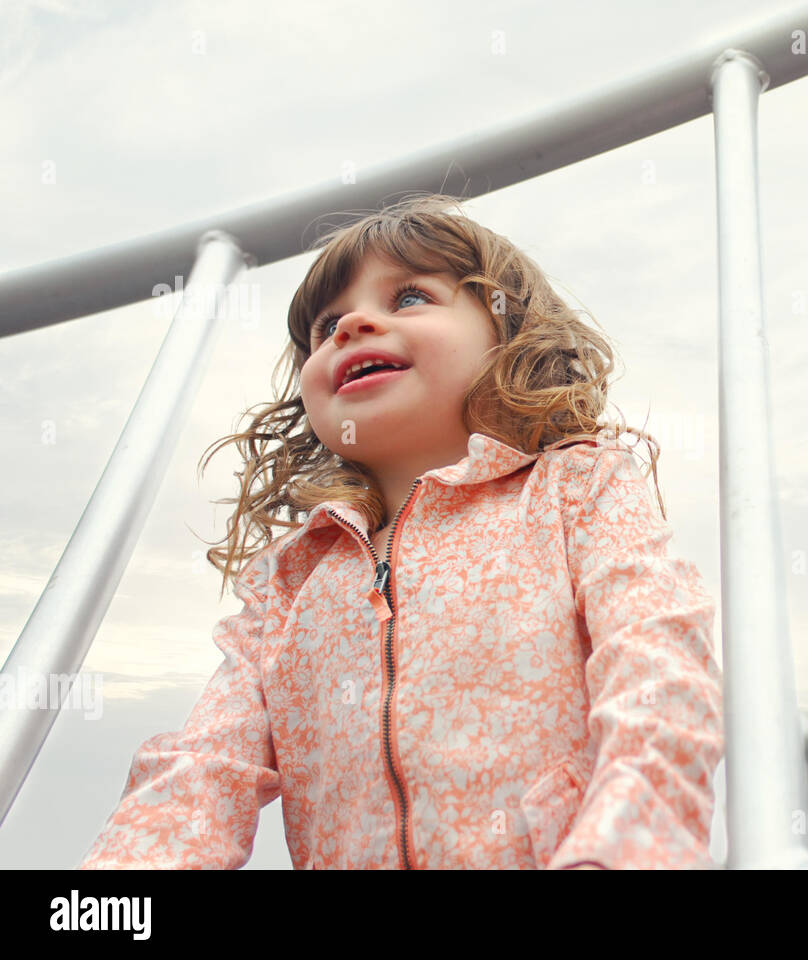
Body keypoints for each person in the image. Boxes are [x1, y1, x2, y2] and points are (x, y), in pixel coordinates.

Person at [76, 194, 725, 870]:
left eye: (410, 297)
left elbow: (661, 675)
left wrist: (620, 854)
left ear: (509, 333)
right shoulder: (288, 582)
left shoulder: (576, 490)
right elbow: (203, 770)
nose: (353, 324)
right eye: (325, 326)